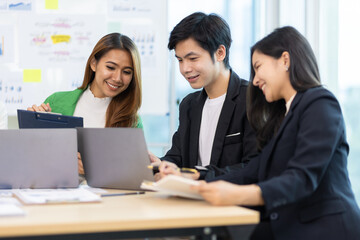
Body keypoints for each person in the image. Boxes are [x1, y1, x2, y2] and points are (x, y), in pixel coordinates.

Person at [191, 26, 360, 240]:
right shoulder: (286, 115)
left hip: (326, 228)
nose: (254, 80)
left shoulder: (320, 102)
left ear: (285, 60)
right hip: (294, 225)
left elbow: (302, 177)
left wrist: (239, 194)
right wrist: (196, 181)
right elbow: (252, 172)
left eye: (258, 67)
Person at [150, 12, 257, 180]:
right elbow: (177, 158)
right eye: (180, 60)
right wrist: (160, 164)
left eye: (193, 58)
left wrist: (198, 176)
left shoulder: (252, 98)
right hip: (190, 201)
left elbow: (254, 166)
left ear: (220, 53)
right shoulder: (189, 105)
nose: (185, 69)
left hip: (230, 202)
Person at [28, 33, 143, 175]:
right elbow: (34, 159)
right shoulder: (56, 102)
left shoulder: (131, 120)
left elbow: (135, 174)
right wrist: (32, 126)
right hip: (58, 192)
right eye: (111, 67)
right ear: (94, 64)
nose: (117, 78)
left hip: (106, 196)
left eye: (126, 72)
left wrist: (94, 170)